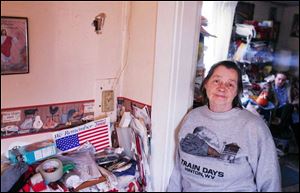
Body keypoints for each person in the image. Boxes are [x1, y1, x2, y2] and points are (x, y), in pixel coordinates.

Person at [167, 60, 281, 192]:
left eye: (230, 84)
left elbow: (270, 180)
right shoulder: (191, 117)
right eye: (217, 81)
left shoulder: (253, 126)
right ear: (206, 84)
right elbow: (177, 172)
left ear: (237, 91)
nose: (222, 88)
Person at [268, 72, 296, 138]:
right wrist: (268, 85)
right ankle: (282, 129)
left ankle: (280, 129)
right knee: (289, 107)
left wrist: (294, 102)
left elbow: (294, 96)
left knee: (289, 107)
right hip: (276, 109)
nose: (280, 81)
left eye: (283, 80)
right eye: (279, 79)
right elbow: (266, 96)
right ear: (275, 79)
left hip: (287, 109)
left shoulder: (288, 87)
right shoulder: (271, 88)